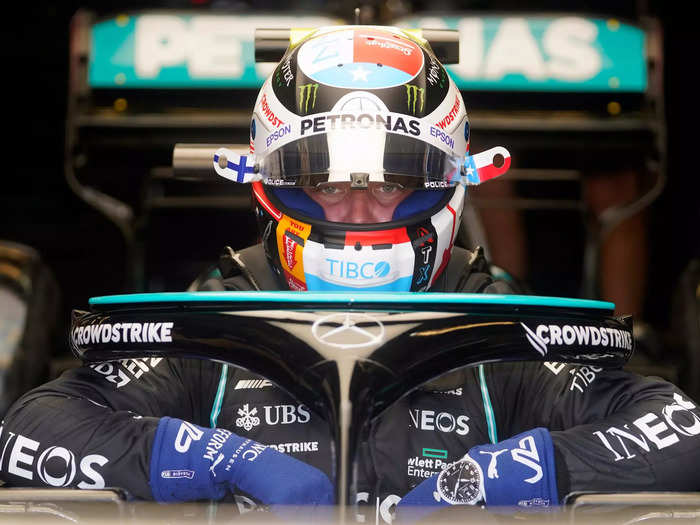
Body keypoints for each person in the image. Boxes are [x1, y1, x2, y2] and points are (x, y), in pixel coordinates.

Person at [1, 25, 698, 524]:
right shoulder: (213, 316)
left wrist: (509, 474)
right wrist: (205, 453)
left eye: (394, 181)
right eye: (326, 184)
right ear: (271, 183)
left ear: (451, 181)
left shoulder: (499, 322)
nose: (361, 212)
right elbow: (31, 429)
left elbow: (681, 429)